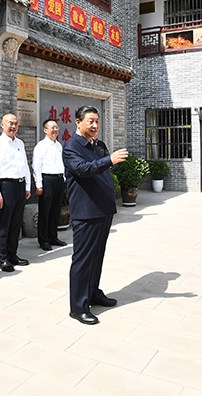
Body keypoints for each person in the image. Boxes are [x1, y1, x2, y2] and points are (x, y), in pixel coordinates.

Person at [63, 106, 128, 325]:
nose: (94, 126)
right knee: (83, 259)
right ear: (78, 122)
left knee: (97, 255)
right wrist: (109, 160)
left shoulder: (98, 145)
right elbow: (82, 169)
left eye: (97, 121)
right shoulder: (71, 147)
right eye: (90, 121)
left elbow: (102, 170)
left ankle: (93, 294)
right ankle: (78, 307)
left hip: (103, 209)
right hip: (86, 211)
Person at [0, 114, 31, 272]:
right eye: (10, 123)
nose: (13, 126)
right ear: (2, 125)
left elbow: (25, 166)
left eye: (16, 124)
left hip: (19, 186)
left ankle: (13, 255)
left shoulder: (20, 143)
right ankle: (2, 258)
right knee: (4, 223)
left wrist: (27, 187)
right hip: (5, 186)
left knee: (16, 224)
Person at [32, 119, 67, 251]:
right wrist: (39, 184)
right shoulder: (41, 146)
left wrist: (63, 178)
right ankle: (43, 240)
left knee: (56, 210)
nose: (55, 130)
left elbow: (62, 164)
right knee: (45, 211)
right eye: (52, 127)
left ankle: (53, 236)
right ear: (45, 130)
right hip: (47, 180)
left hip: (58, 180)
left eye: (56, 127)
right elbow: (36, 166)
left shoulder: (59, 145)